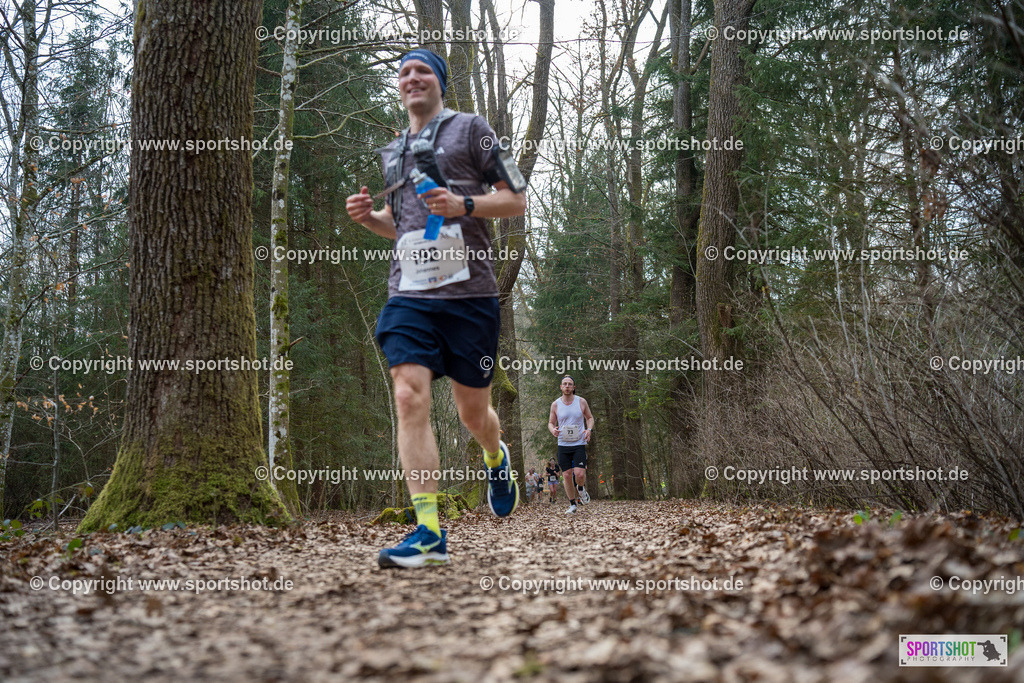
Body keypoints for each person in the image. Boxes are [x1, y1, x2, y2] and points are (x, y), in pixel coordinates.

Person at [345, 48, 527, 568]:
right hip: (410, 294)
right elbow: (400, 226)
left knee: (474, 414)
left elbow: (517, 197)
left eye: (422, 70)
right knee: (408, 394)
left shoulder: (474, 130)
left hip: (471, 296)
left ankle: (496, 456)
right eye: (403, 72)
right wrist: (369, 218)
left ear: (440, 82)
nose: (412, 78)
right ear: (398, 89)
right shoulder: (393, 151)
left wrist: (464, 204)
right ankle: (427, 532)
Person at [548, 376, 594, 513]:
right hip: (563, 444)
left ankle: (580, 488)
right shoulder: (555, 404)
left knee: (579, 474)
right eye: (564, 384)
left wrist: (589, 430)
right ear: (561, 387)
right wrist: (553, 430)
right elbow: (550, 422)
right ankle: (572, 504)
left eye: (570, 384)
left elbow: (590, 418)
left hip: (579, 443)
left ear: (573, 387)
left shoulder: (581, 401)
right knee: (567, 475)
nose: (567, 386)